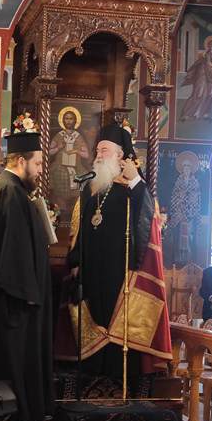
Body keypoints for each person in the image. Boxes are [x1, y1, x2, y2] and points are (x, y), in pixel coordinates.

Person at [66, 124, 171, 389]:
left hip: (120, 273)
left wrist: (135, 180)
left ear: (120, 155)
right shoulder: (92, 189)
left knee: (116, 322)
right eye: (97, 150)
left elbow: (146, 218)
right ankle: (93, 374)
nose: (98, 155)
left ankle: (119, 377)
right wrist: (76, 261)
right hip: (92, 272)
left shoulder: (132, 189)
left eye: (104, 150)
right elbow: (81, 231)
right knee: (94, 316)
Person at [0, 121, 53, 421]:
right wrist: (28, 295)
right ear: (21, 161)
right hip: (15, 302)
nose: (40, 170)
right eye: (38, 163)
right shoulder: (11, 192)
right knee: (16, 360)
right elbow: (14, 252)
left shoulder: (8, 188)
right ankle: (20, 413)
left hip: (11, 298)